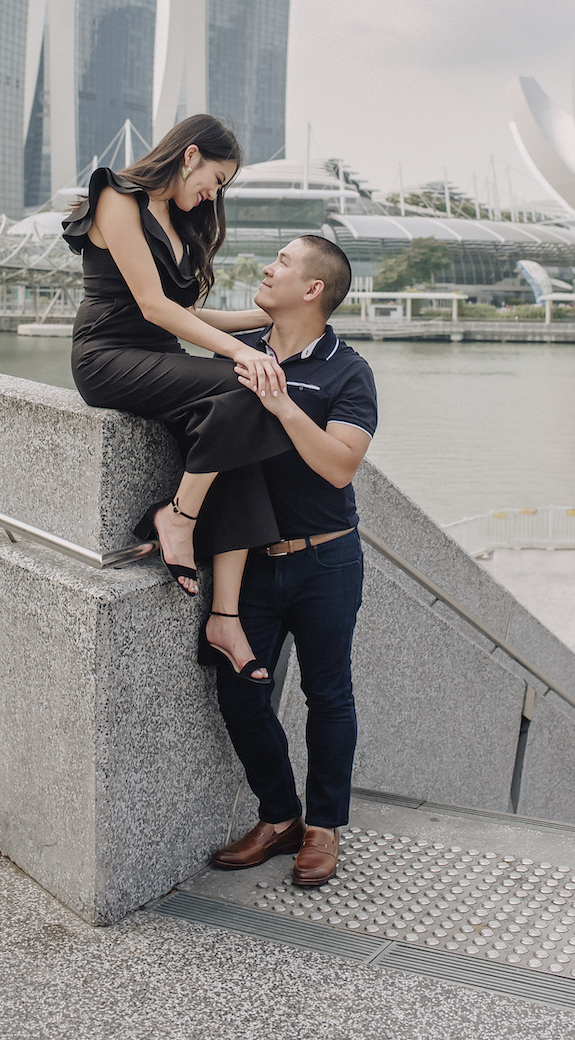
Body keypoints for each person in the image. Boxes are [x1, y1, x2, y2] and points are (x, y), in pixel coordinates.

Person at [62, 115, 292, 682]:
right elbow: (152, 306)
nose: (215, 194)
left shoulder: (180, 220)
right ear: (189, 156)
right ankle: (178, 517)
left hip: (160, 358)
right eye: (216, 178)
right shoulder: (119, 196)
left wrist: (268, 318)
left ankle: (224, 617)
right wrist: (244, 354)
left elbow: (185, 315)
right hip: (108, 356)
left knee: (241, 436)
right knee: (245, 387)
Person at [209, 235, 378, 888]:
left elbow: (340, 466)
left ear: (313, 289)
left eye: (280, 262)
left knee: (328, 695)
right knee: (238, 690)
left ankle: (324, 827)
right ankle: (278, 815)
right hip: (249, 563)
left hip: (327, 563)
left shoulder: (347, 370)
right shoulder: (241, 353)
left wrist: (280, 402)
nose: (266, 268)